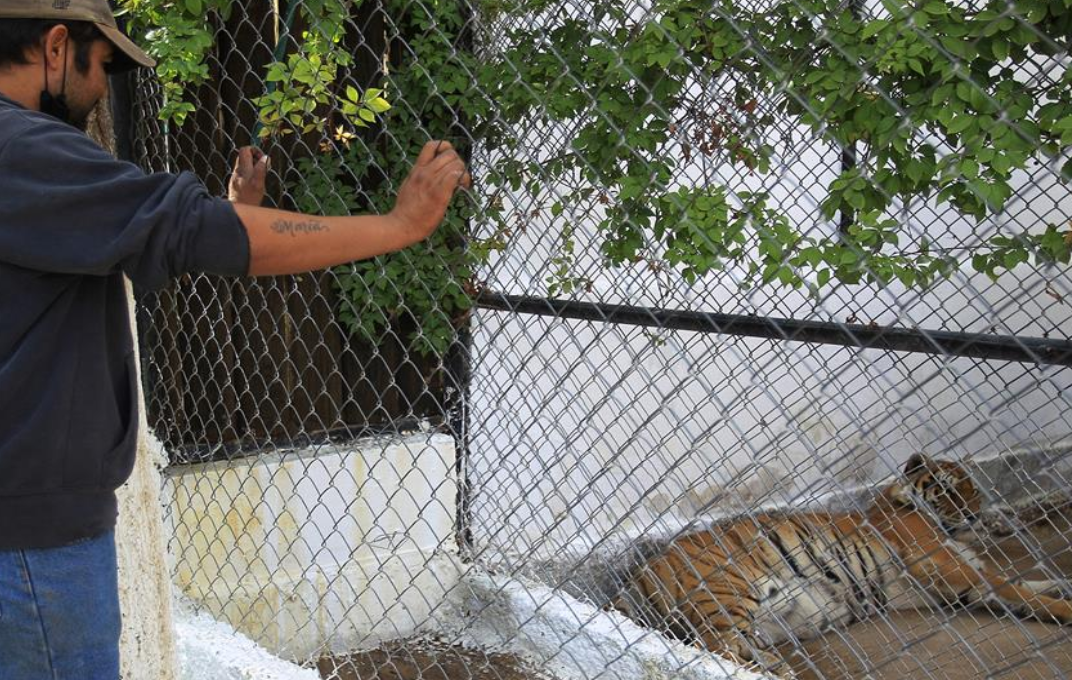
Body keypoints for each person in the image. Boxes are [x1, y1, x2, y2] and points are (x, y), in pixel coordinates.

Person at [0, 1, 470, 678]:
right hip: (31, 549)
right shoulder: (25, 150)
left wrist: (228, 217)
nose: (103, 88)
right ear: (53, 47)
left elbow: (90, 259)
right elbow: (187, 232)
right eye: (100, 64)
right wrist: (400, 225)